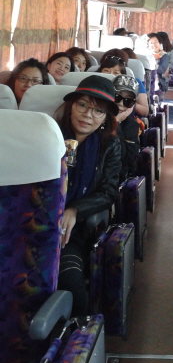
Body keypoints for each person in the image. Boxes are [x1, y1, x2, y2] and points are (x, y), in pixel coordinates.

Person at [55, 75, 121, 316]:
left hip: (74, 232)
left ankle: (77, 334)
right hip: (37, 222)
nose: (87, 115)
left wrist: (75, 210)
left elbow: (108, 191)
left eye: (98, 111)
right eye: (82, 105)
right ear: (71, 106)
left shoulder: (109, 145)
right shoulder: (48, 136)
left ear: (105, 118)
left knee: (70, 284)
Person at [98, 49, 148, 117]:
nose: (111, 75)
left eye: (116, 72)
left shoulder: (135, 83)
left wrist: (128, 102)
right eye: (106, 71)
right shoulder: (93, 83)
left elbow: (145, 111)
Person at [113, 75, 140, 181]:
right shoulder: (95, 118)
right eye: (117, 97)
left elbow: (125, 158)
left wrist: (115, 123)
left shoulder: (131, 126)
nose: (120, 104)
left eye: (128, 101)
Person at [148, 32, 170, 99]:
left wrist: (152, 62)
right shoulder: (146, 55)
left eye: (156, 42)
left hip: (159, 82)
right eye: (151, 43)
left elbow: (161, 70)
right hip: (147, 80)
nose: (154, 45)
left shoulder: (165, 56)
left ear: (160, 43)